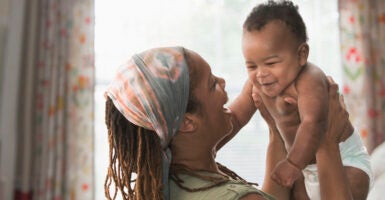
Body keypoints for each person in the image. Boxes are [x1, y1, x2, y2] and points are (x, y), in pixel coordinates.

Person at [103, 46, 358, 200]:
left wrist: (275, 127)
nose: (223, 82)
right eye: (212, 84)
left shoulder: (167, 175)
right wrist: (325, 140)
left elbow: (233, 116)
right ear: (188, 123)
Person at [241, 0, 372, 199]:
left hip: (345, 158)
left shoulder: (310, 79)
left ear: (301, 55)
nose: (260, 74)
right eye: (251, 66)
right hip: (304, 166)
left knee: (352, 184)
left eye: (271, 63)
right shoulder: (259, 83)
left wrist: (293, 163)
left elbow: (314, 122)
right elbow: (234, 114)